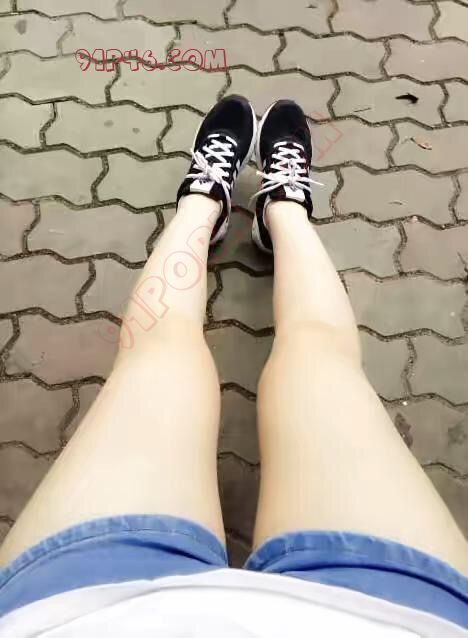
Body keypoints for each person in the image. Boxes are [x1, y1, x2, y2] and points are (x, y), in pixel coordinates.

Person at [0, 96, 466, 637]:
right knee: (321, 354)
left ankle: (208, 202)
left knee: (157, 352)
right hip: (389, 615)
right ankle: (279, 207)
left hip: (91, 608)